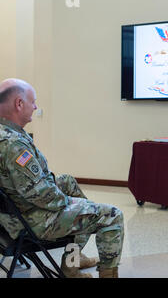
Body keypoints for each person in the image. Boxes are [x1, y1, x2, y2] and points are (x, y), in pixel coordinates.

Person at [0, 78, 124, 278]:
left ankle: (73, 260)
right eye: (33, 102)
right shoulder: (13, 144)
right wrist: (71, 203)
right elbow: (40, 195)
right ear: (19, 104)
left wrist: (75, 203)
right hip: (32, 220)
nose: (36, 107)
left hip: (13, 211)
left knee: (67, 181)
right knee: (111, 215)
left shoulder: (6, 133)